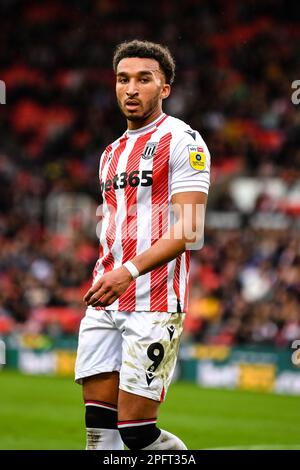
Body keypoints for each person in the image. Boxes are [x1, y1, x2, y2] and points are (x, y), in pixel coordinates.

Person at [75, 39, 211, 450]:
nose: (131, 89)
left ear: (165, 88)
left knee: (136, 434)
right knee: (100, 432)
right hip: (105, 300)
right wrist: (109, 274)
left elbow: (189, 230)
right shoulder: (110, 153)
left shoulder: (184, 141)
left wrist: (128, 272)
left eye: (143, 79)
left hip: (152, 303)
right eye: (123, 79)